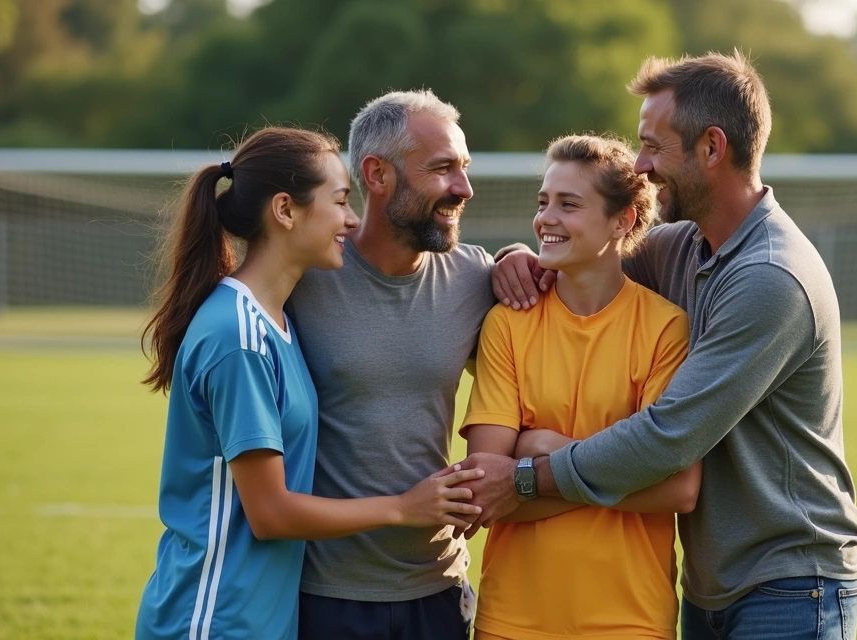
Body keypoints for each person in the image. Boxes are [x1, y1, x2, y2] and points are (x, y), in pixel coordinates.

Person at [466, 51, 857, 640]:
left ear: (712, 147)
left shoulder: (771, 277)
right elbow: (587, 253)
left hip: (790, 581)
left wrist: (528, 473)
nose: (642, 165)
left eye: (654, 146)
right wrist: (518, 260)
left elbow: (668, 438)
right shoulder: (681, 246)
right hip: (710, 583)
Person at [133, 126, 485, 640]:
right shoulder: (239, 338)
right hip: (213, 617)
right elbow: (270, 512)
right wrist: (404, 508)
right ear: (285, 210)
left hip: (263, 615)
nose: (351, 218)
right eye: (340, 201)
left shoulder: (274, 321)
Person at [461, 134, 700, 640]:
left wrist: (538, 450)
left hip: (629, 619)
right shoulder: (508, 324)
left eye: (569, 204)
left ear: (623, 221)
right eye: (543, 201)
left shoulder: (664, 328)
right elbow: (486, 483)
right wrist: (620, 471)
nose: (546, 217)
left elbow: (677, 488)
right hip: (513, 618)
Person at [284, 91, 498, 639]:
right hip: (324, 595)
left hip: (441, 592)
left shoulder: (479, 278)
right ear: (376, 175)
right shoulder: (302, 274)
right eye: (443, 168)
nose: (464, 188)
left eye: (465, 168)